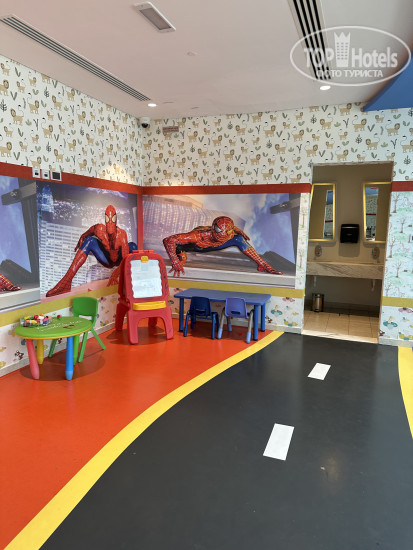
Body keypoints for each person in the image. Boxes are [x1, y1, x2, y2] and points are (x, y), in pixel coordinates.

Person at [46, 205, 137, 297]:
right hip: (106, 259)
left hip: (119, 260)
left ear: (116, 220)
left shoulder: (122, 234)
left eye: (112, 219)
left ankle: (133, 280)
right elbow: (85, 235)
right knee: (89, 240)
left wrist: (115, 274)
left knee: (133, 246)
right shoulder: (99, 229)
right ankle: (66, 282)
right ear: (105, 219)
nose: (110, 222)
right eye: (108, 219)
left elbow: (124, 259)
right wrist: (82, 238)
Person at [163, 215, 283, 277]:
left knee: (239, 239)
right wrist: (175, 261)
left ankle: (263, 265)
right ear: (213, 230)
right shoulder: (197, 235)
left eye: (227, 233)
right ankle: (181, 256)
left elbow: (231, 227)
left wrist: (239, 231)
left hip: (214, 245)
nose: (223, 235)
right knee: (180, 253)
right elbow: (168, 240)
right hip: (197, 246)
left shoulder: (229, 233)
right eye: (219, 231)